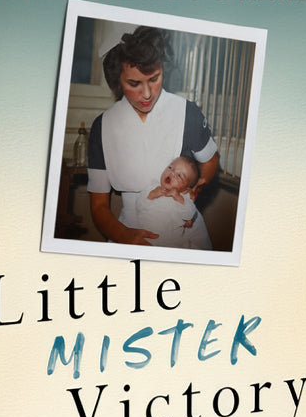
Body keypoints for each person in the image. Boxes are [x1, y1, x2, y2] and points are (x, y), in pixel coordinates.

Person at [87, 25, 218, 249]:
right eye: (134, 84)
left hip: (184, 232)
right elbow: (99, 205)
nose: (147, 94)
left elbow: (211, 160)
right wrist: (123, 235)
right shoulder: (103, 126)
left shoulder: (187, 113)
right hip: (129, 230)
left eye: (154, 78)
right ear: (118, 80)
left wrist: (195, 188)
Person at [131, 155, 209, 249]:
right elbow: (139, 205)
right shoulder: (153, 187)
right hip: (146, 238)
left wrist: (178, 197)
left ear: (186, 189)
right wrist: (152, 195)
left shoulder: (183, 199)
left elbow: (189, 214)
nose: (172, 173)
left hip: (170, 243)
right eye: (170, 168)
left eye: (179, 176)